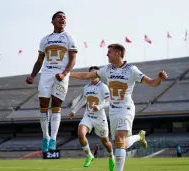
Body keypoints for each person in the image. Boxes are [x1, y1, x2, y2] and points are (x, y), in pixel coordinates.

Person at [69, 43, 168, 171]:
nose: (107, 54)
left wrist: (159, 78)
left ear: (118, 53)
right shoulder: (108, 69)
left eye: (109, 52)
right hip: (113, 111)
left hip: (125, 109)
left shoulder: (131, 69)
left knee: (120, 140)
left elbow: (152, 83)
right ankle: (139, 137)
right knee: (119, 144)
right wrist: (68, 73)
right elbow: (87, 76)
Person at [26, 11, 78, 152]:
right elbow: (39, 60)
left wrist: (64, 73)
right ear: (53, 21)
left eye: (64, 17)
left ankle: (53, 139)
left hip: (61, 75)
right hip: (46, 74)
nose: (63, 19)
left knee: (56, 105)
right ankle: (45, 137)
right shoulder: (45, 39)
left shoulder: (69, 37)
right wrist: (32, 76)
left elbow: (73, 59)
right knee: (43, 105)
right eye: (59, 17)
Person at [69, 66, 115, 170]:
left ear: (98, 75)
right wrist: (74, 110)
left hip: (100, 119)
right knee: (80, 133)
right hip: (88, 116)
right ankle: (89, 155)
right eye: (90, 73)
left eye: (94, 73)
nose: (92, 75)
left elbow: (109, 102)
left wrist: (98, 107)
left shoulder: (103, 87)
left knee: (106, 143)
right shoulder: (86, 87)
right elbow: (83, 100)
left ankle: (111, 157)